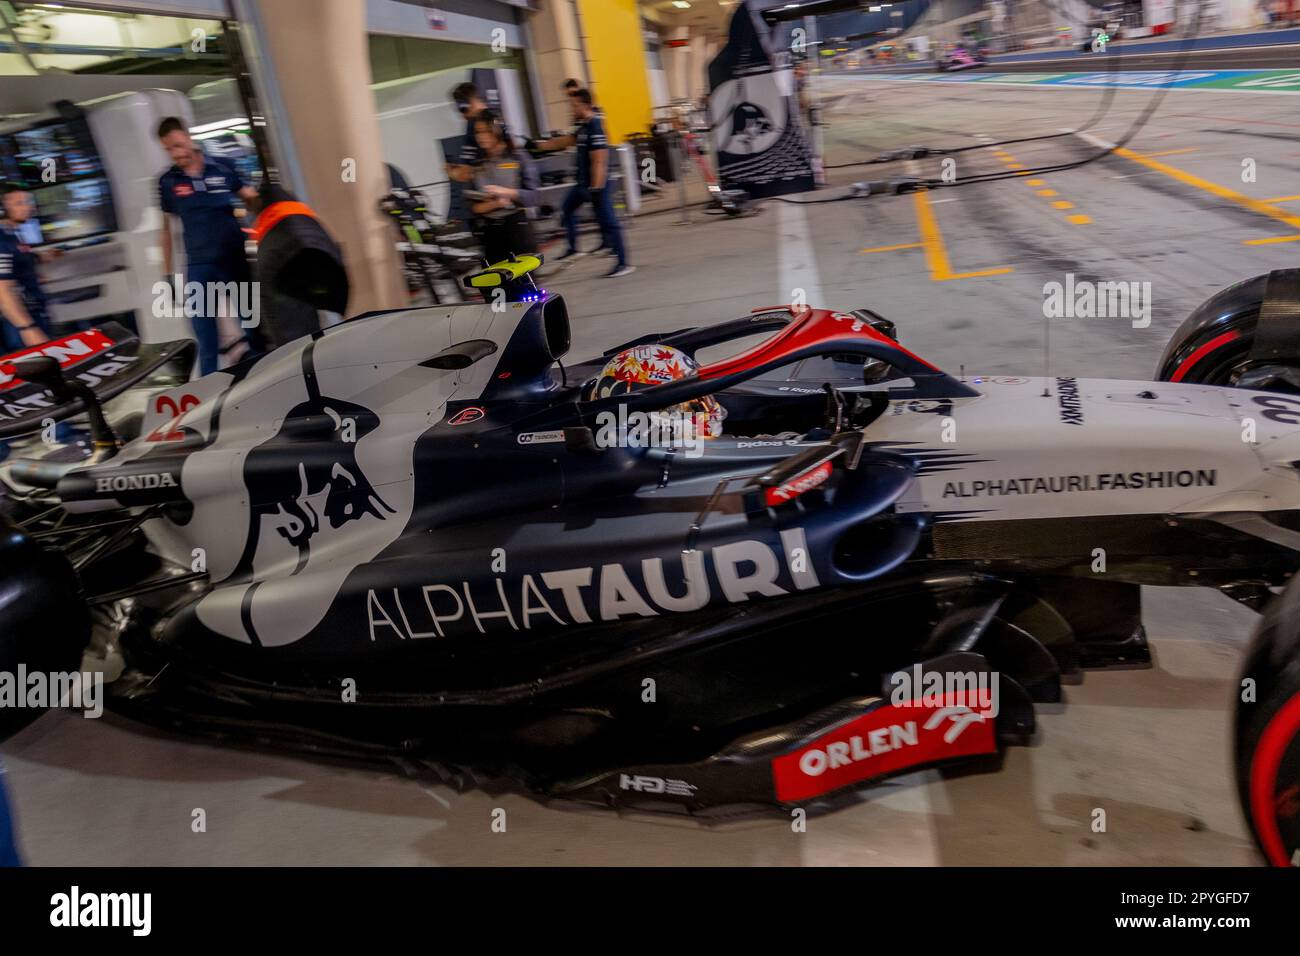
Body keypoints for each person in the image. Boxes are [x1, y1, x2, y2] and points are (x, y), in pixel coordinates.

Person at [157, 116, 262, 376]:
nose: (176, 153)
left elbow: (251, 199)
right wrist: (167, 275)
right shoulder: (168, 182)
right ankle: (209, 401)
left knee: (254, 330)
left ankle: (265, 381)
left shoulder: (223, 167)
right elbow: (166, 231)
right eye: (169, 149)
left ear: (189, 139)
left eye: (178, 145)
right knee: (207, 341)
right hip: (200, 267)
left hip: (234, 261)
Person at [534, 89, 633, 279]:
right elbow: (564, 141)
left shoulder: (595, 126)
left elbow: (599, 161)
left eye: (575, 105)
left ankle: (623, 263)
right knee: (567, 209)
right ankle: (573, 248)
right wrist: (538, 145)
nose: (571, 108)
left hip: (596, 186)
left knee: (610, 222)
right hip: (581, 185)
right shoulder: (583, 127)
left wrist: (596, 189)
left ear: (586, 105)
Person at [469, 111, 540, 265]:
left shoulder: (517, 156)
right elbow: (474, 208)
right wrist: (498, 203)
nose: (480, 136)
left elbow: (532, 196)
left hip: (517, 229)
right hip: (491, 234)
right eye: (477, 132)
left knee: (525, 286)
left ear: (497, 131)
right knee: (496, 288)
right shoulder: (477, 164)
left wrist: (504, 192)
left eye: (485, 131)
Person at [0, 184, 54, 354]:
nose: (27, 207)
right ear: (3, 207)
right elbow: (3, 291)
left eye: (28, 201)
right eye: (18, 203)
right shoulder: (1, 239)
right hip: (20, 322)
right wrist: (28, 328)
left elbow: (17, 263)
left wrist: (34, 271)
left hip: (34, 310)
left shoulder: (12, 234)